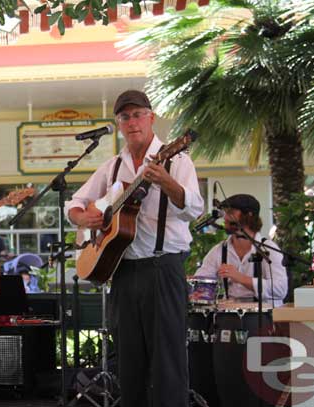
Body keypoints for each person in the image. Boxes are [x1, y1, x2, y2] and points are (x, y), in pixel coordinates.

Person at [66, 90, 204, 407]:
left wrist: (166, 181)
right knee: (128, 363)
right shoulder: (113, 167)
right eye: (125, 117)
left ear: (151, 117)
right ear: (118, 124)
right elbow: (74, 204)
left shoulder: (177, 159)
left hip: (163, 269)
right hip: (124, 271)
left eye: (138, 114)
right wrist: (83, 217)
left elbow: (193, 208)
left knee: (168, 363)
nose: (132, 122)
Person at [194, 194, 288, 306]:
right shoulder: (219, 251)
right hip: (229, 315)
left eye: (231, 213)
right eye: (226, 213)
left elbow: (280, 289)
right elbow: (201, 283)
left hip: (265, 315)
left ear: (249, 216)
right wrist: (195, 284)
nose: (226, 218)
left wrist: (240, 278)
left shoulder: (268, 249)